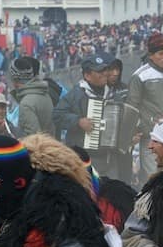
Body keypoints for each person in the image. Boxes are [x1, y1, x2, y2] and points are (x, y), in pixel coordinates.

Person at [54, 53, 135, 183]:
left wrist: (129, 136)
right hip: (84, 159)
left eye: (105, 70)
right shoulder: (76, 94)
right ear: (87, 76)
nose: (104, 74)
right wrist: (78, 121)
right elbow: (57, 115)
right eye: (99, 71)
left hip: (110, 159)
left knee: (110, 194)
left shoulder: (114, 95)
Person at [128, 32, 163, 178]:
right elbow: (132, 107)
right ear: (151, 55)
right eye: (160, 53)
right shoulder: (140, 76)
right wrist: (143, 127)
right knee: (152, 178)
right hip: (150, 138)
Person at [11, 56, 56, 137]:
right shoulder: (44, 93)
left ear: (15, 79)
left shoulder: (26, 104)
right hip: (50, 146)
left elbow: (34, 138)